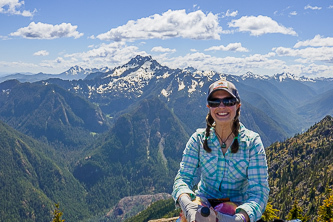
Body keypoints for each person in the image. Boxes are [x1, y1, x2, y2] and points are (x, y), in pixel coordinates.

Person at [172, 78, 270, 222]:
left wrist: (240, 218)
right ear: (209, 106)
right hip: (202, 207)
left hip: (236, 210)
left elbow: (259, 193)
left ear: (238, 105)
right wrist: (187, 204)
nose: (221, 106)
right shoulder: (198, 140)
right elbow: (183, 178)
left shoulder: (252, 143)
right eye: (215, 102)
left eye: (228, 101)